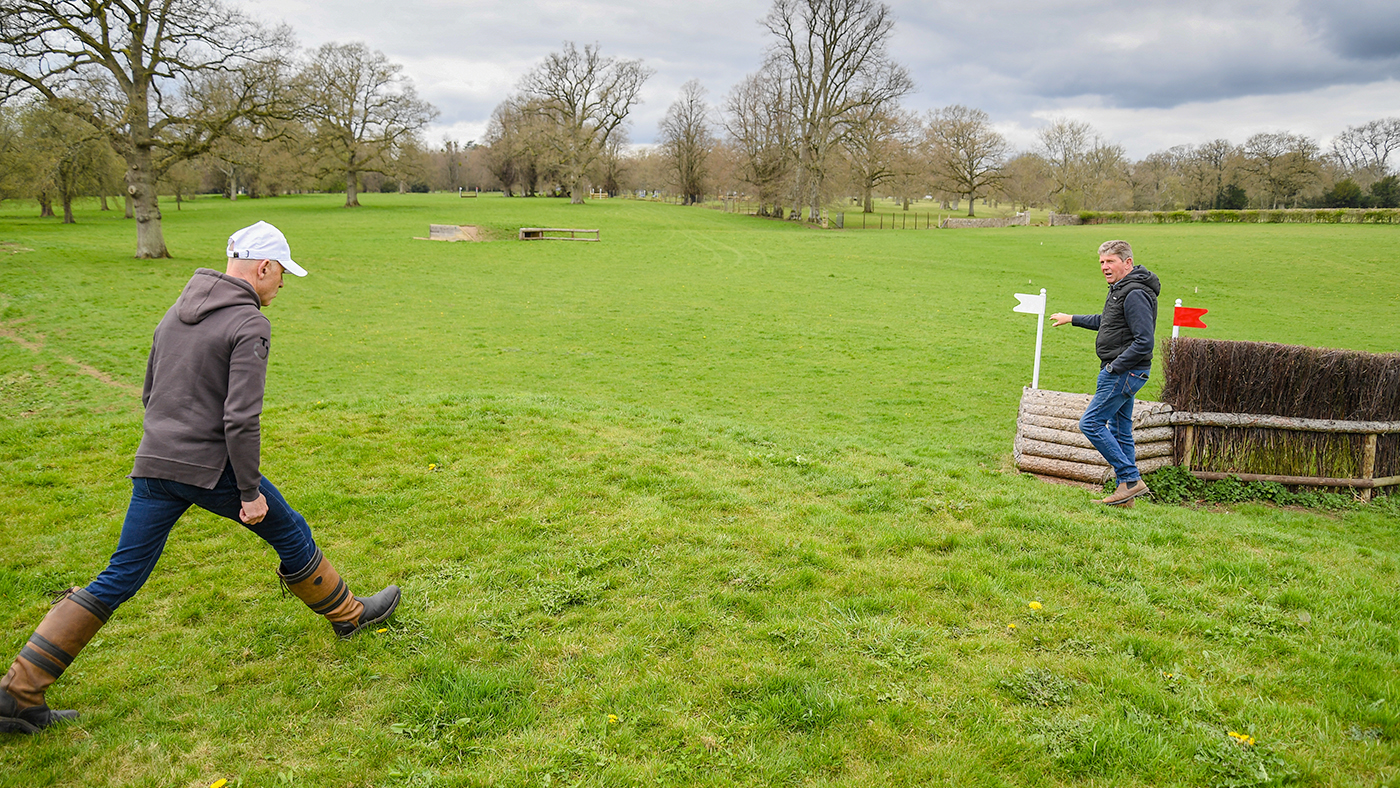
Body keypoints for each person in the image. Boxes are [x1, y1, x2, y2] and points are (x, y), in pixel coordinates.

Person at [0, 221, 400, 734]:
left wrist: (168, 444)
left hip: (155, 461)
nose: (282, 285)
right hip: (210, 468)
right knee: (289, 528)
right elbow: (241, 418)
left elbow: (149, 392)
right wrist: (250, 492)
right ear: (263, 267)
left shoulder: (175, 313)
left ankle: (18, 693)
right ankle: (349, 615)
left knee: (121, 575)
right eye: (282, 274)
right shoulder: (249, 324)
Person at [1050, 239, 1161, 506]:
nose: (1104, 266)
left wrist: (1115, 367)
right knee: (1121, 430)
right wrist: (1072, 318)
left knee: (1090, 423)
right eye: (1101, 262)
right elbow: (1108, 322)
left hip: (1123, 372)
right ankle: (1125, 495)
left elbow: (1144, 340)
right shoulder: (1120, 290)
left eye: (1110, 261)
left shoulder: (1134, 293)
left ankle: (1131, 480)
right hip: (1124, 371)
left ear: (1128, 263)